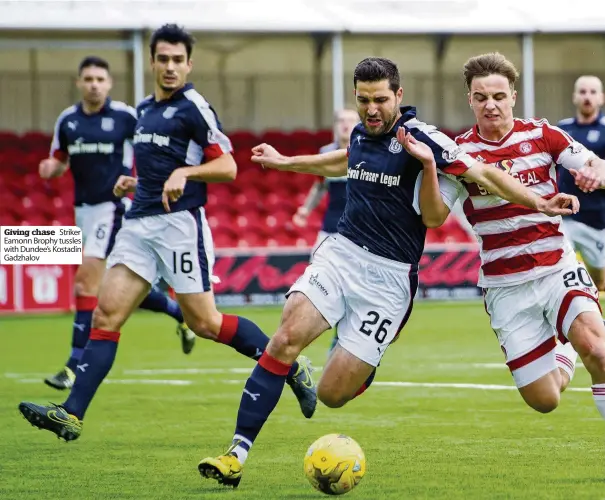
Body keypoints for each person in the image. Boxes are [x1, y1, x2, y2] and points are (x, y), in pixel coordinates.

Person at [197, 56, 578, 488]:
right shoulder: (362, 131)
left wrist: (539, 202)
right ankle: (236, 455)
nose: (371, 109)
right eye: (363, 101)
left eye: (380, 100)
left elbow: (484, 171)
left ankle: (332, 367)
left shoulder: (421, 137)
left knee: (332, 394)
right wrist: (286, 162)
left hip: (390, 280)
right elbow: (344, 160)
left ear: (399, 96)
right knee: (285, 336)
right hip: (341, 254)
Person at [18, 24, 316, 441]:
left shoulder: (194, 107)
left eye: (178, 59)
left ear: (188, 64)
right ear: (153, 62)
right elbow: (152, 171)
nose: (171, 66)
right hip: (138, 223)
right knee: (106, 314)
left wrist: (187, 171)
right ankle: (71, 414)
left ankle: (290, 365)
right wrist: (133, 184)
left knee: (206, 323)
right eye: (164, 59)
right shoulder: (142, 111)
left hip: (180, 226)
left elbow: (228, 167)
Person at [416, 52, 605, 419]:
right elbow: (434, 217)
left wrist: (597, 173)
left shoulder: (543, 134)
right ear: (469, 99)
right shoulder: (458, 154)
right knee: (545, 399)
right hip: (506, 285)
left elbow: (594, 164)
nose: (491, 105)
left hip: (556, 268)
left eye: (499, 96)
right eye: (481, 97)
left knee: (598, 351)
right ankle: (564, 350)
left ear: (513, 97)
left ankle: (576, 340)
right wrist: (429, 165)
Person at [39, 55, 196, 391]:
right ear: (79, 82)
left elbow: (155, 147)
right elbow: (59, 158)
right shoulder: (67, 121)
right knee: (123, 290)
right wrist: (51, 167)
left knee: (85, 284)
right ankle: (179, 314)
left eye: (100, 79)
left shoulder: (126, 116)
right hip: (83, 212)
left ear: (108, 83)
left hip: (114, 208)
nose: (94, 84)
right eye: (88, 79)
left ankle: (73, 366)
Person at [292, 108, 359, 355]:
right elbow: (319, 187)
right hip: (329, 231)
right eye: (341, 121)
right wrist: (304, 210)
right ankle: (301, 333)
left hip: (358, 235)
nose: (345, 125)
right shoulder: (325, 153)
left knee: (352, 288)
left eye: (350, 121)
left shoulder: (368, 152)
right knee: (314, 283)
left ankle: (342, 336)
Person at [557, 75, 605, 290]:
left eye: (593, 92)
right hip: (565, 216)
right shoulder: (562, 129)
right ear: (575, 97)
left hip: (597, 220)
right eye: (583, 92)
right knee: (560, 272)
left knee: (600, 281)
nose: (587, 97)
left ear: (601, 98)